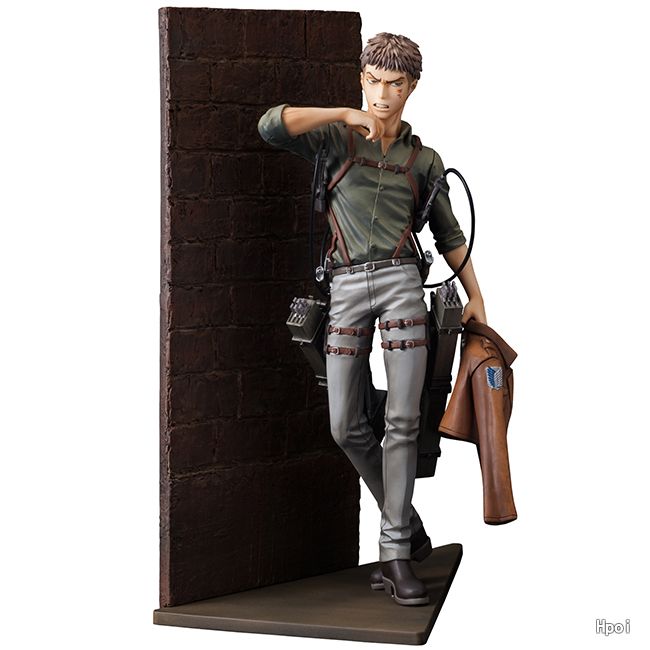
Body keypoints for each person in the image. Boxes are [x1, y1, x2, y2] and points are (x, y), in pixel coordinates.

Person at [258, 32, 486, 607]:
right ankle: (407, 524)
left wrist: (477, 297)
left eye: (395, 84)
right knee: (346, 426)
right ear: (363, 79)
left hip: (402, 283)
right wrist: (342, 113)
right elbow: (271, 126)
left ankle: (394, 555)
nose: (383, 95)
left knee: (404, 422)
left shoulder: (423, 160)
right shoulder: (334, 140)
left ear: (412, 88)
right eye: (375, 81)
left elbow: (449, 235)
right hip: (345, 288)